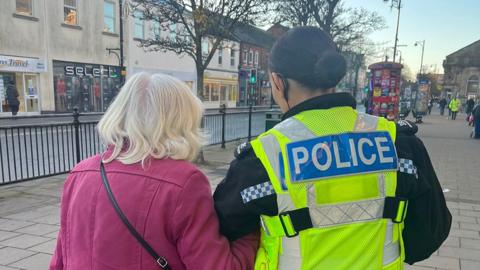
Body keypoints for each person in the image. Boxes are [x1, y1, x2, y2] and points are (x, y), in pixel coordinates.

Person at [213, 26, 451, 269]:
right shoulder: (399, 143)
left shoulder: (263, 158)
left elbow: (221, 229)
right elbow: (429, 235)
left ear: (277, 81)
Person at [50, 73, 258, 270]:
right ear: (181, 122)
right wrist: (249, 231)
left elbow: (61, 258)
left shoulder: (80, 173)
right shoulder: (184, 182)